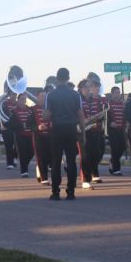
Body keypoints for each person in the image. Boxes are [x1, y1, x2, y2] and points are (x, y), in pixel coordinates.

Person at [45, 67, 85, 200]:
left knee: (56, 161)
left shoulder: (50, 95)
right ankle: (71, 191)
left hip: (56, 129)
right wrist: (83, 132)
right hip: (71, 129)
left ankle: (55, 192)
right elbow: (80, 115)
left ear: (57, 79)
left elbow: (46, 116)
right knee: (71, 161)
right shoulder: (75, 95)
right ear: (68, 78)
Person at [79, 78, 107, 188]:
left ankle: (90, 171)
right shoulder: (78, 100)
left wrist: (100, 117)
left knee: (96, 153)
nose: (88, 89)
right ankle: (86, 180)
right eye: (86, 87)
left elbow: (101, 115)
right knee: (86, 155)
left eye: (90, 87)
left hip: (95, 130)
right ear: (81, 89)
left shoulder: (97, 100)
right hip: (82, 131)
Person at [106, 86, 127, 175]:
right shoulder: (108, 104)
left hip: (121, 129)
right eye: (116, 92)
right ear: (112, 94)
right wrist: (110, 123)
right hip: (112, 130)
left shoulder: (123, 104)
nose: (118, 94)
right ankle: (116, 169)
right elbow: (105, 117)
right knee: (114, 149)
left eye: (119, 92)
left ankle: (112, 161)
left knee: (122, 147)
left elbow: (126, 116)